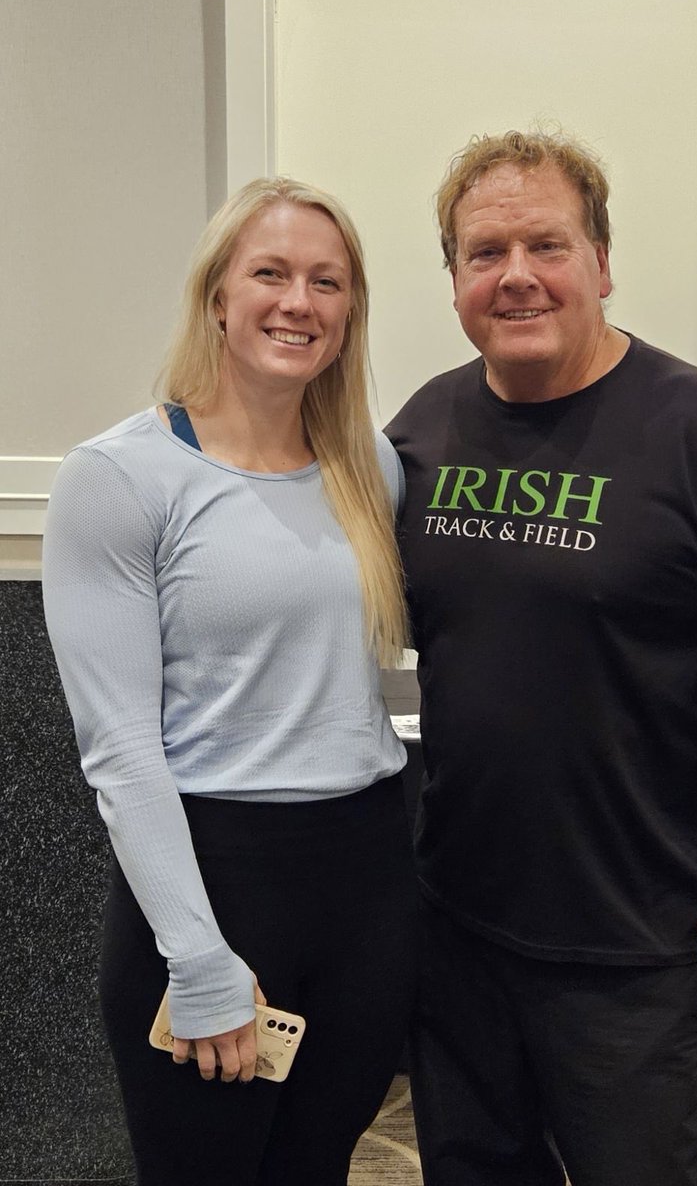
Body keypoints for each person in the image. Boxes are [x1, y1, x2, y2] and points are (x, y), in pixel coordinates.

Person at [386, 131, 697, 1186]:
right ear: (452, 278)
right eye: (485, 253)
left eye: (547, 244)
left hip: (644, 945)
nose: (518, 276)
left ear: (601, 262)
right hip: (463, 926)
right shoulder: (422, 431)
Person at [42, 177, 416, 1185]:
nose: (299, 301)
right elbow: (119, 747)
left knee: (315, 1166)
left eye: (326, 282)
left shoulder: (367, 468)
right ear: (216, 295)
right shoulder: (119, 478)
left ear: (349, 312)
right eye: (271, 273)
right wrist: (199, 959)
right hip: (215, 877)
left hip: (368, 874)